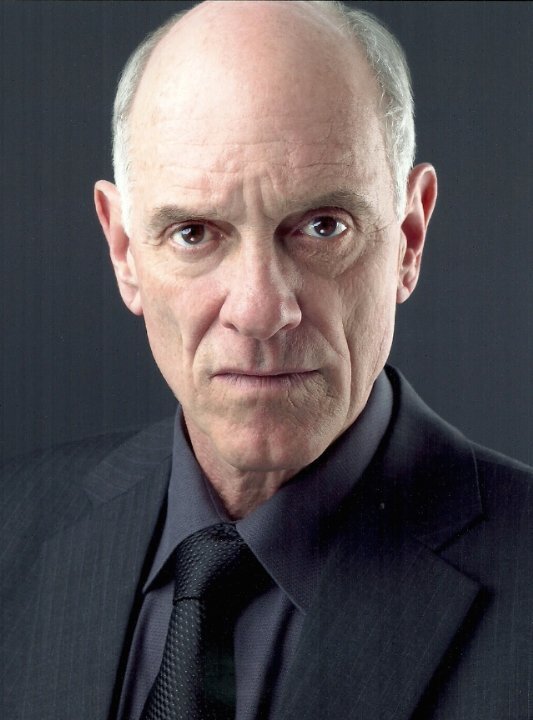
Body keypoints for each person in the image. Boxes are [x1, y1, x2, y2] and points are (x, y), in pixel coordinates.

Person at [1, 2, 532, 719]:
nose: (258, 310)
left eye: (322, 227)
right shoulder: (12, 529)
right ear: (124, 249)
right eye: (194, 233)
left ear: (408, 237)